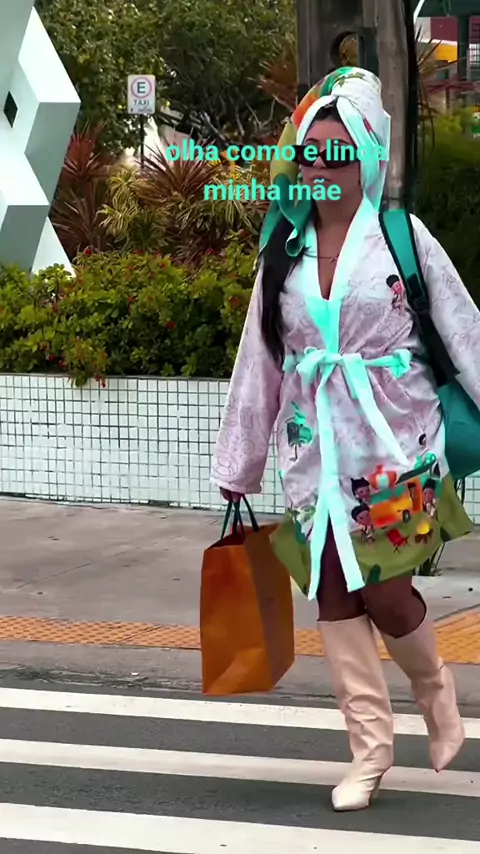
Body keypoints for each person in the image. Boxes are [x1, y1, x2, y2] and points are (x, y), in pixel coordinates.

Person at [211, 67, 478, 812]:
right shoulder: (284, 249)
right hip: (316, 454)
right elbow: (259, 360)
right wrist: (240, 462)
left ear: (367, 157)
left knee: (387, 590)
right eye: (309, 153)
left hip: (396, 451)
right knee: (332, 589)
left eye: (336, 152)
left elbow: (464, 331)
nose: (320, 167)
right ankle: (369, 751)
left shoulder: (403, 239)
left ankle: (435, 692)